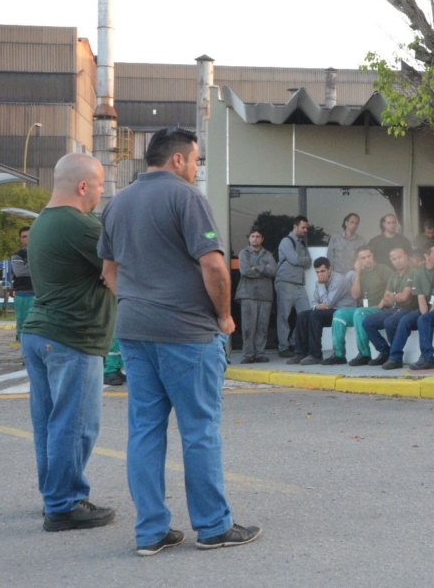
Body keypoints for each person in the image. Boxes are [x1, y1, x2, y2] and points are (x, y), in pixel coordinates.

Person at [98, 127, 260, 555]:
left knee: (145, 432)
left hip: (134, 331)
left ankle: (151, 533)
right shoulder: (185, 198)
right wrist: (225, 317)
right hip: (186, 333)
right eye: (195, 160)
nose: (195, 167)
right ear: (177, 160)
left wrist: (139, 302)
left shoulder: (117, 203)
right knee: (199, 430)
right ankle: (212, 527)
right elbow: (214, 267)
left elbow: (109, 273)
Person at [20, 153, 116, 533]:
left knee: (49, 424)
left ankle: (53, 495)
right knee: (75, 426)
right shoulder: (79, 226)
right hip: (72, 337)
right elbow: (121, 267)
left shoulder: (43, 221)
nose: (99, 194)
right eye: (98, 186)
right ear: (82, 186)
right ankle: (64, 504)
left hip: (40, 334)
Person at [359, 247, 419, 368]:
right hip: (394, 308)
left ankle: (396, 357)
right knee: (368, 322)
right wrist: (395, 296)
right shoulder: (394, 276)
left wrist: (393, 296)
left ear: (406, 257)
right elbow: (386, 298)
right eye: (394, 259)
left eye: (400, 257)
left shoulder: (413, 272)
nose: (398, 261)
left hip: (410, 308)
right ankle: (385, 352)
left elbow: (405, 298)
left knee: (390, 322)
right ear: (391, 261)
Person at [289, 257, 356, 365]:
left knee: (315, 315)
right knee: (302, 315)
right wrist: (317, 306)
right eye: (317, 272)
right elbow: (314, 302)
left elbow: (328, 304)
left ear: (330, 269)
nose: (320, 275)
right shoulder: (318, 282)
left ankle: (315, 355)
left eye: (323, 271)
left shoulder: (338, 280)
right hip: (328, 311)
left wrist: (321, 286)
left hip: (342, 311)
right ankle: (300, 353)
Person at [346, 247, 394, 366]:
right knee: (339, 314)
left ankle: (364, 354)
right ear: (358, 261)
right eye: (363, 258)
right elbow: (355, 295)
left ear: (373, 256)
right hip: (366, 309)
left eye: (369, 256)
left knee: (359, 313)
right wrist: (357, 274)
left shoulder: (383, 269)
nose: (367, 260)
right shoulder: (360, 274)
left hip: (381, 309)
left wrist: (384, 300)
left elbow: (395, 285)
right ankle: (338, 354)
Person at [236, 230, 276, 364]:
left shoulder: (268, 254)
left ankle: (260, 354)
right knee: (248, 326)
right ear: (249, 239)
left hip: (265, 294)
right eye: (253, 236)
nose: (255, 239)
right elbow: (244, 271)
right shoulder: (243, 253)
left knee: (262, 326)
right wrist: (264, 268)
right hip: (247, 293)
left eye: (258, 236)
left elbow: (274, 270)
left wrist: (256, 268)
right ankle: (248, 355)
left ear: (262, 239)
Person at [275, 216, 312, 358]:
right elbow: (294, 259)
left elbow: (309, 263)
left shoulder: (302, 244)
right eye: (303, 227)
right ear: (295, 226)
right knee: (283, 316)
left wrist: (302, 260)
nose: (305, 230)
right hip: (285, 283)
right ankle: (283, 347)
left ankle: (294, 342)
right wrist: (303, 260)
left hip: (299, 285)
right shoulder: (286, 241)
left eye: (306, 227)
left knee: (306, 314)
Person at [10, 225, 35, 343]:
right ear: (20, 239)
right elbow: (20, 272)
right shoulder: (17, 255)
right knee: (23, 324)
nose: (27, 239)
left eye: (30, 236)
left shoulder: (44, 251)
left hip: (41, 293)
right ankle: (25, 354)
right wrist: (39, 270)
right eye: (24, 237)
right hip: (23, 293)